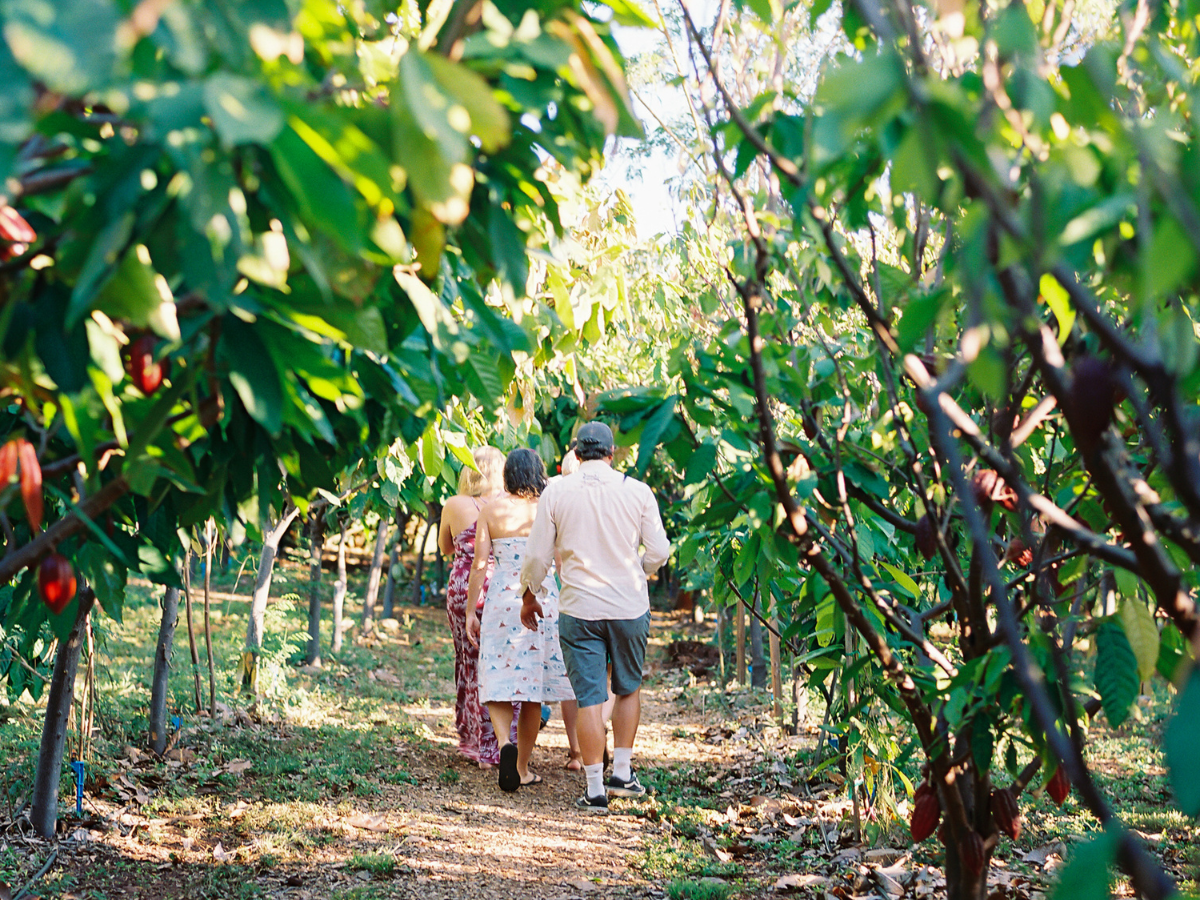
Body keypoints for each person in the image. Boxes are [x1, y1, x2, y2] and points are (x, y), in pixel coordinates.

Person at [519, 421, 670, 813]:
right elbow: (659, 551)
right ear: (612, 452)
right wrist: (637, 567)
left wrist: (529, 595)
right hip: (628, 605)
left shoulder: (556, 492)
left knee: (589, 699)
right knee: (627, 688)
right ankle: (622, 772)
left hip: (579, 608)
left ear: (575, 453)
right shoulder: (638, 491)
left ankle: (595, 790)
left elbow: (537, 556)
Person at [466, 449, 575, 792]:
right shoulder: (549, 509)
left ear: (508, 476)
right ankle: (523, 767)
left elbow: (480, 564)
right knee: (533, 689)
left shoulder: (491, 510)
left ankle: (503, 745)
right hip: (542, 601)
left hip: (502, 599)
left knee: (497, 676)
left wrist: (471, 610)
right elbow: (559, 560)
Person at [438, 446, 515, 769]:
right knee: (502, 664)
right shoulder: (510, 506)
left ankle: (472, 740)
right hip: (501, 588)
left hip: (462, 589)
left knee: (468, 661)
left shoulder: (455, 505)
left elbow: (444, 547)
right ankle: (501, 741)